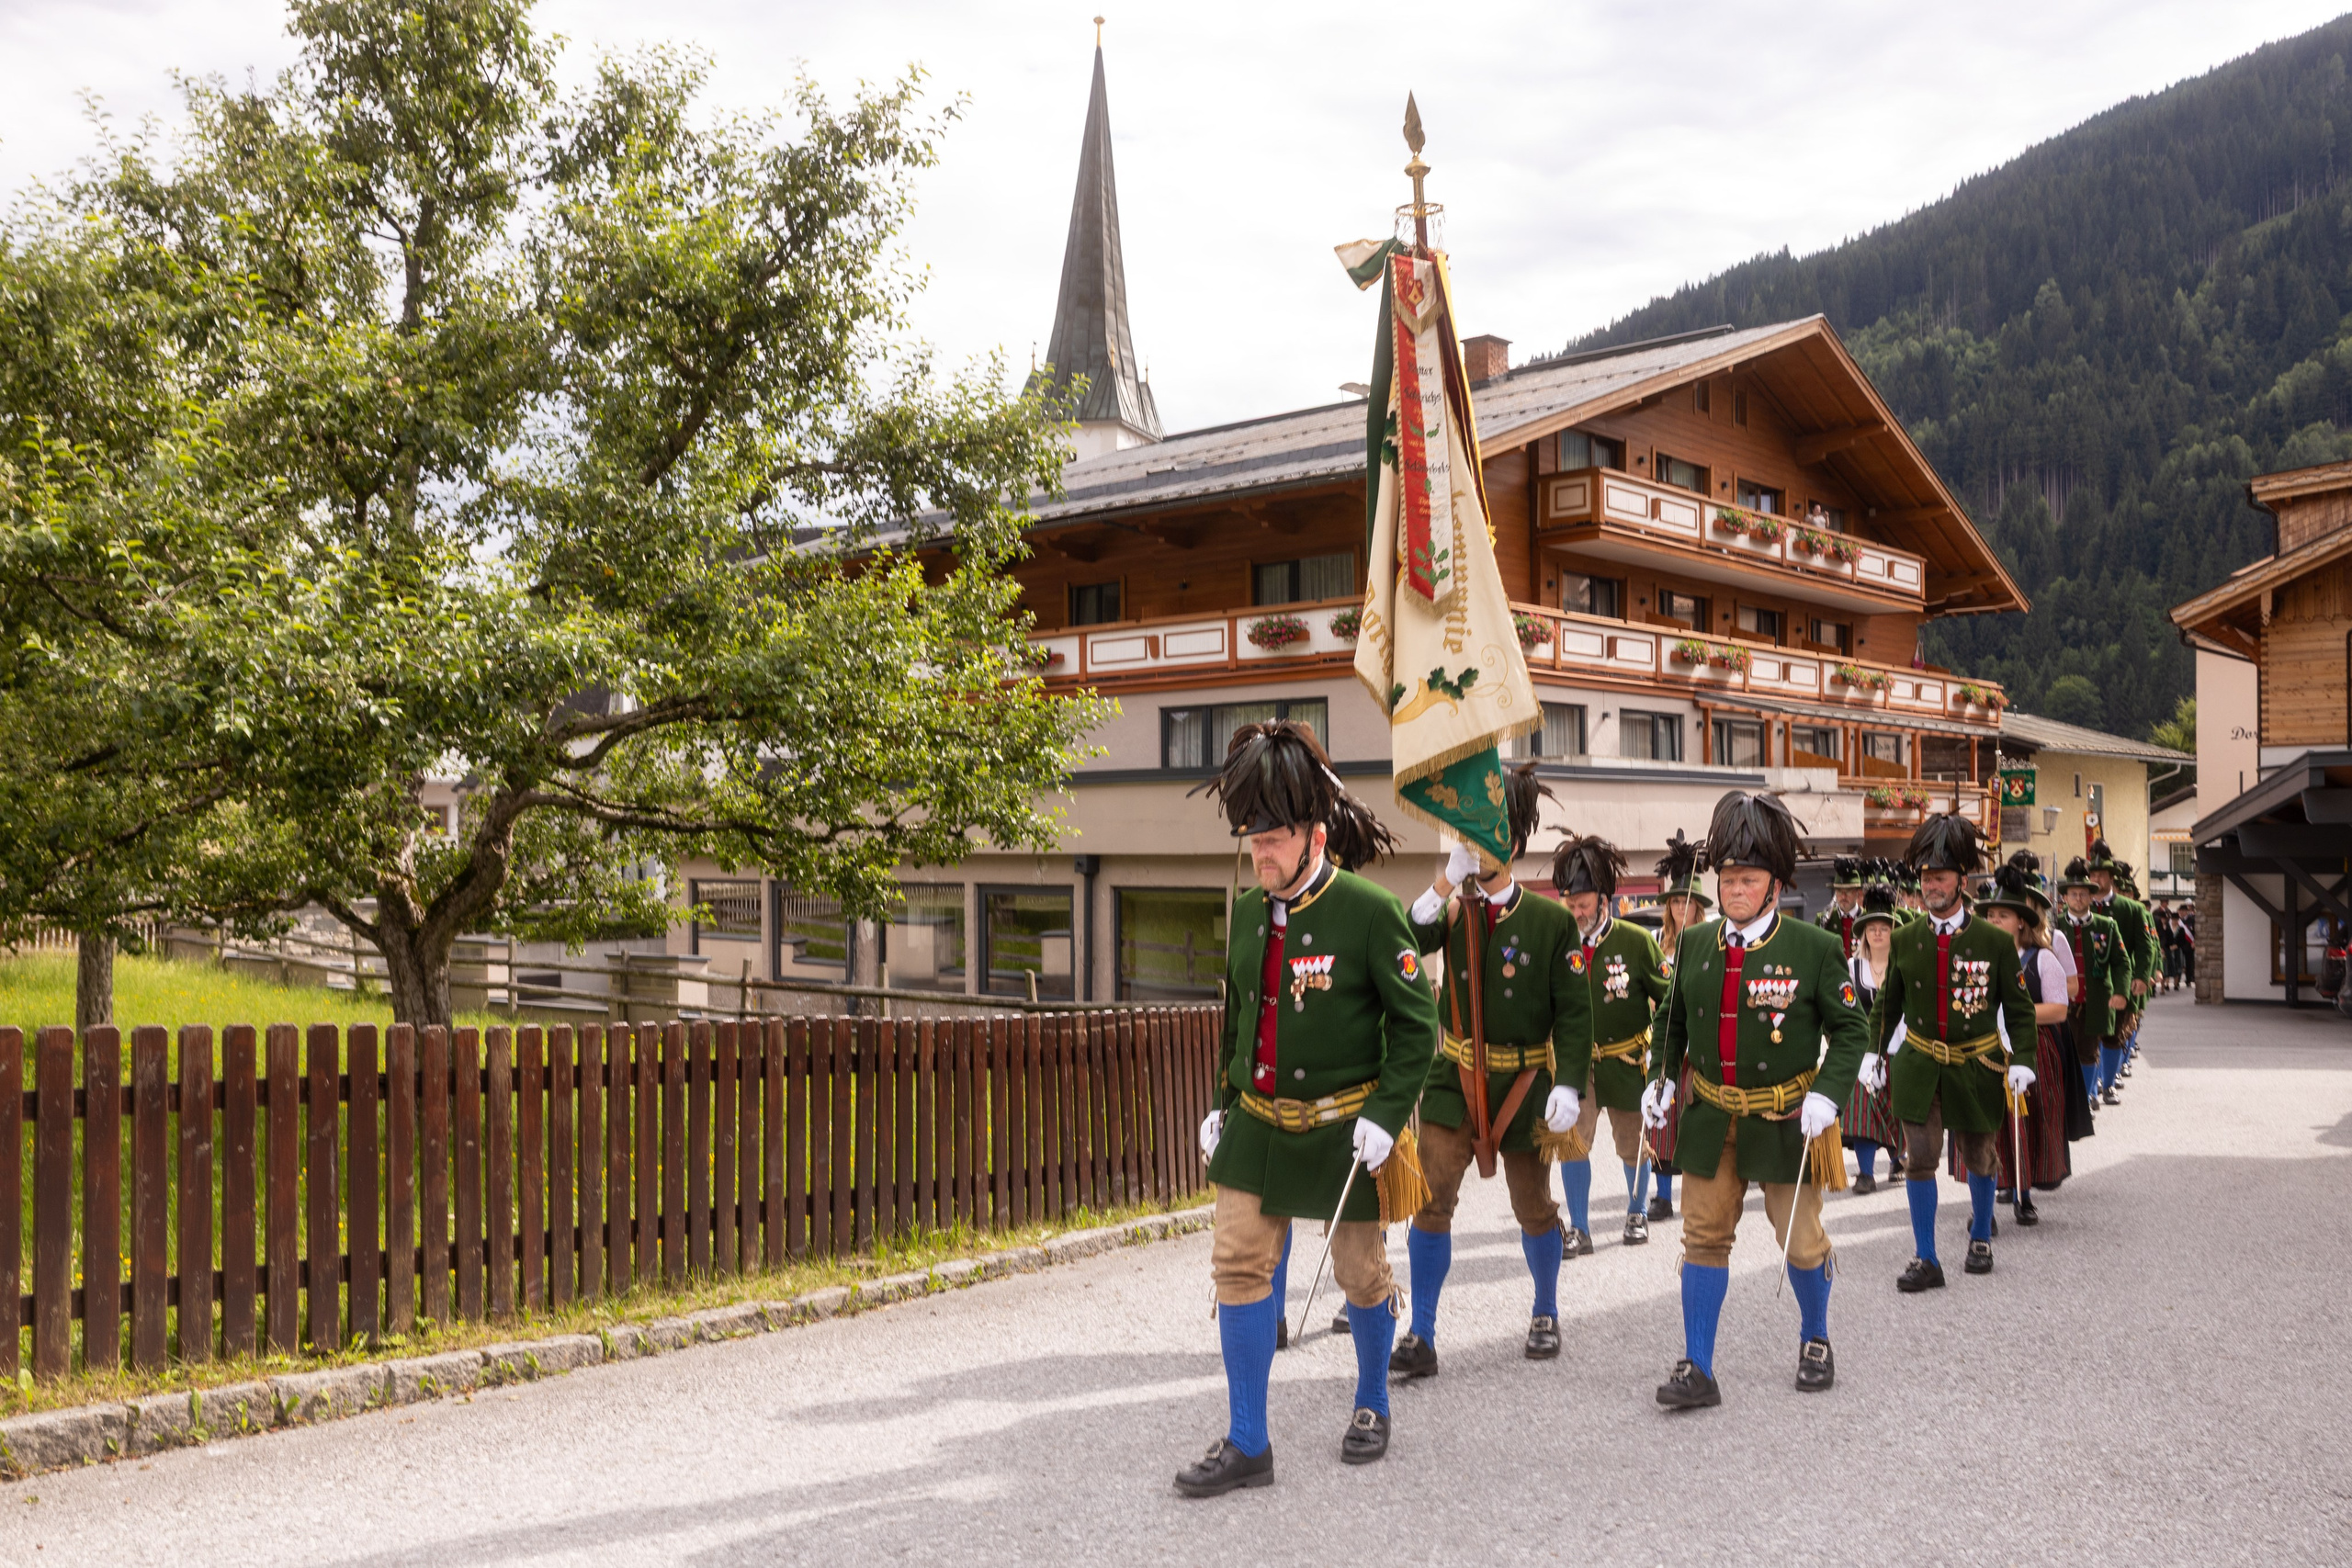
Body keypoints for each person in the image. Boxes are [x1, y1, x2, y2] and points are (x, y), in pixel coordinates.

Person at [1177, 721, 1439, 1496]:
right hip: (1260, 1123)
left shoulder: (1366, 909)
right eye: (1251, 836)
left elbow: (1419, 1026)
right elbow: (1239, 1020)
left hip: (1345, 1127)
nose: (1261, 852)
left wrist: (1388, 1116)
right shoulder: (1250, 913)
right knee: (1236, 1266)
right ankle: (1249, 1439)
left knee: (1362, 1274)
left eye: (1276, 836)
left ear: (1316, 834)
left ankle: (1372, 1398)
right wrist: (1225, 1102)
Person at [1643, 792, 1870, 1407]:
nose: (1734, 889)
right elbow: (1671, 1021)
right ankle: (1699, 1366)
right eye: (1728, 878)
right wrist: (1659, 1076)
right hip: (1712, 1114)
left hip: (1786, 1119)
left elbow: (1852, 1030)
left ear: (1775, 884)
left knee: (1800, 1239)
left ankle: (1815, 1335)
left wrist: (1829, 1092)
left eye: (1747, 879)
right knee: (1703, 1237)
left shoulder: (1814, 948)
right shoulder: (1693, 944)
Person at [1391, 765, 1588, 1379]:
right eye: (1469, 832)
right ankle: (1421, 1331)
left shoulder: (1552, 923)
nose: (1474, 845)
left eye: (1487, 834)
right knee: (1430, 1201)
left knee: (1533, 1204)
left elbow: (1576, 1012)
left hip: (1524, 1082)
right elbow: (1405, 942)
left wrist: (1569, 1083)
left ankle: (1546, 1308)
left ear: (1513, 843)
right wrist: (1442, 881)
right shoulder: (1450, 909)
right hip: (1455, 1074)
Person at [1873, 815, 2038, 1291]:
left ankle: (1981, 1236)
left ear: (1962, 882)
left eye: (1940, 877)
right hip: (1921, 1064)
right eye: (1925, 878)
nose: (1931, 886)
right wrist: (1873, 1050)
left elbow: (2020, 1009)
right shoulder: (1906, 938)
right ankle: (1926, 1258)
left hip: (1976, 1063)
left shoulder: (1993, 942)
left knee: (1979, 1154)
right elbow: (1888, 1005)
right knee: (1919, 1158)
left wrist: (2022, 1057)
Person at [1554, 834, 1668, 1249]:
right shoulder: (1560, 940)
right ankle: (1580, 1227)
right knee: (1571, 1143)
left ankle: (1637, 1214)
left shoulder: (1636, 942)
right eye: (1571, 903)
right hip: (1577, 1064)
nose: (1577, 911)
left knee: (1633, 1144)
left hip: (1626, 1061)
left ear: (1605, 900)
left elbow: (1669, 998)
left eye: (1584, 903)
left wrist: (1662, 1053)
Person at [1973, 861, 2074, 1224]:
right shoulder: (1979, 959)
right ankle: (1986, 1202)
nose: (1995, 921)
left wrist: (2015, 1013)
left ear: (2020, 921)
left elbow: (2059, 1009)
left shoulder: (2042, 958)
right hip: (1987, 1049)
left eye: (2003, 915)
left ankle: (2024, 1193)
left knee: (2025, 1123)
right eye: (1991, 915)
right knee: (1987, 1124)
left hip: (2032, 1048)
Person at [1645, 832, 1713, 1222]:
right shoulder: (1655, 941)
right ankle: (1663, 1195)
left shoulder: (1711, 940)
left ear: (1698, 907)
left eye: (1686, 902)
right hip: (1667, 1041)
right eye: (1673, 901)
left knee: (1696, 1119)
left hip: (1701, 1043)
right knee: (1662, 1118)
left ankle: (1700, 1191)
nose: (1678, 907)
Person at [1839, 880, 1901, 1193]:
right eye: (1872, 928)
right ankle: (1865, 1173)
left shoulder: (1903, 965)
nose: (1877, 933)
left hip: (1899, 1047)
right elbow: (1844, 1007)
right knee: (1862, 1108)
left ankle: (1897, 1158)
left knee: (1898, 1106)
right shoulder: (1852, 967)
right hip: (1863, 1052)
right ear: (1863, 933)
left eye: (1884, 928)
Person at [2086, 840, 2155, 1101]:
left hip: (2119, 982)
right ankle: (2091, 1090)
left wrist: (2140, 976)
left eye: (2100, 875)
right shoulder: (2082, 908)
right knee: (2089, 1038)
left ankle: (2109, 1082)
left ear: (2111, 878)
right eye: (2092, 875)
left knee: (2114, 1036)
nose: (2096, 879)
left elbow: (2145, 946)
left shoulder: (2133, 909)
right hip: (2090, 985)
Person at [2055, 858, 2125, 1111]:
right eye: (2073, 894)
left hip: (2094, 1001)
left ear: (2090, 897)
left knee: (2087, 1052)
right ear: (2065, 898)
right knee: (2061, 1054)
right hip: (2060, 1004)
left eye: (2083, 894)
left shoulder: (2106, 926)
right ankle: (2064, 1101)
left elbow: (2121, 963)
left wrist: (2120, 991)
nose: (2078, 899)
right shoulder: (2053, 927)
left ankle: (2084, 1099)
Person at [1815, 856, 1868, 958]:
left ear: (1858, 893)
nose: (1843, 896)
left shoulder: (1867, 917)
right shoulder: (1824, 919)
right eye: (1839, 891)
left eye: (1848, 891)